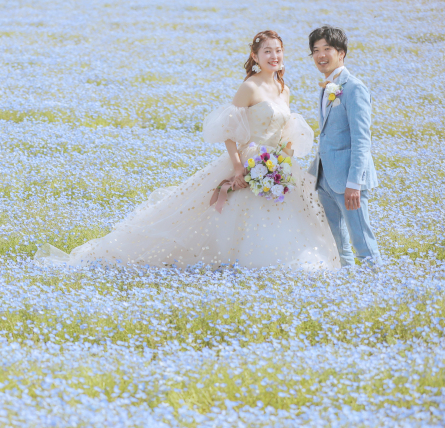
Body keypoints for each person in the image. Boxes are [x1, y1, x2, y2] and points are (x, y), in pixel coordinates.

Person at [36, 30, 340, 270]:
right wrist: (238, 168)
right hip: (248, 159)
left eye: (278, 51)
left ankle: (273, 265)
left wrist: (283, 157)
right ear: (255, 56)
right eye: (267, 52)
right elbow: (229, 131)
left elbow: (286, 129)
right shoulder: (249, 87)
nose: (274, 56)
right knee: (226, 214)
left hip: (275, 164)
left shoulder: (284, 89)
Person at [307, 25, 382, 266]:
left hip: (349, 181)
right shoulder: (326, 86)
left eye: (327, 48)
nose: (321, 55)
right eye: (316, 50)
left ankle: (378, 286)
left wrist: (354, 183)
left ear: (341, 53)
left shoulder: (354, 88)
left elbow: (362, 140)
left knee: (362, 241)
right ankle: (349, 291)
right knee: (337, 247)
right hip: (326, 178)